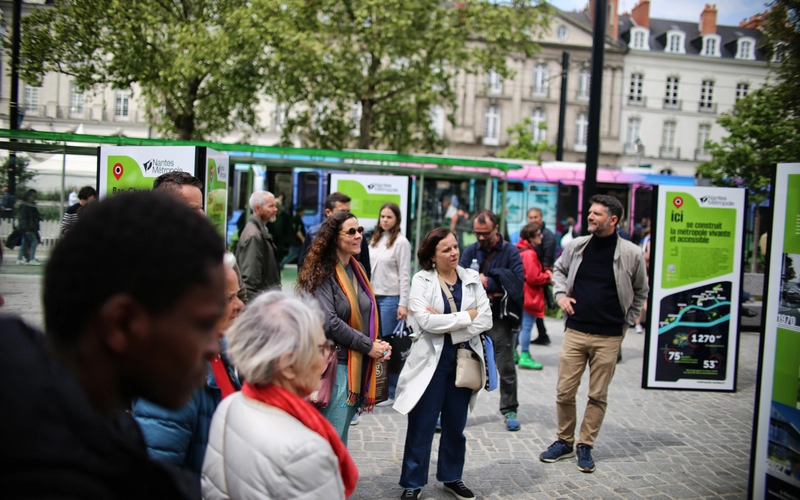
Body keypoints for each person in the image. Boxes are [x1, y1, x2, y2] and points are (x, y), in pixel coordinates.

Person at [0, 191, 227, 498]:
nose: (214, 346)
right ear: (121, 324)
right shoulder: (58, 478)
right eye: (202, 325)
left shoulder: (99, 429)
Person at [201, 291, 358, 499]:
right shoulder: (307, 451)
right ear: (287, 365)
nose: (328, 357)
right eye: (321, 348)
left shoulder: (229, 405)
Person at [539, 194, 648, 473]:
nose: (590, 216)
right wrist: (561, 295)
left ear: (613, 220)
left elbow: (641, 292)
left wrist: (627, 323)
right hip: (575, 332)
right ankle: (564, 441)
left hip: (609, 337)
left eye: (597, 214)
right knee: (564, 391)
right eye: (590, 212)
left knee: (597, 395)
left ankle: (584, 444)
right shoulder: (577, 246)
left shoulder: (631, 253)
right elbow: (559, 272)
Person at [394, 227, 492, 500]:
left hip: (463, 360)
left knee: (455, 425)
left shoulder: (471, 278)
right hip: (431, 362)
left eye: (455, 247)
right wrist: (466, 317)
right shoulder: (422, 280)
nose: (454, 253)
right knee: (422, 424)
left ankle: (452, 477)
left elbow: (486, 319)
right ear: (432, 256)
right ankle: (412, 483)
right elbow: (425, 321)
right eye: (446, 249)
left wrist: (449, 324)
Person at [132, 251, 244, 478]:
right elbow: (157, 476)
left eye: (238, 295)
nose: (240, 305)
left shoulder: (219, 351)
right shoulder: (171, 374)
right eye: (229, 298)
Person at [296, 211, 391, 444]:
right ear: (334, 237)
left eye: (360, 230)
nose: (358, 236)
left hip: (355, 364)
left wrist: (375, 342)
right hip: (334, 366)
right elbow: (329, 322)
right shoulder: (323, 272)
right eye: (351, 231)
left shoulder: (358, 270)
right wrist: (368, 345)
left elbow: (365, 315)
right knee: (331, 440)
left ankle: (338, 480)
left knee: (341, 436)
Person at [459, 209, 524, 432]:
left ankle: (509, 409)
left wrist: (489, 282)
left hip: (500, 316)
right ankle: (455, 411)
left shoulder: (510, 252)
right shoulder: (469, 251)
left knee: (505, 364)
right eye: (477, 233)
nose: (481, 237)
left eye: (485, 233)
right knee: (464, 362)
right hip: (473, 316)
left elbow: (517, 282)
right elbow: (462, 278)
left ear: (496, 229)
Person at [368, 202, 412, 405]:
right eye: (382, 216)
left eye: (389, 217)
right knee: (373, 341)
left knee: (388, 344)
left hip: (390, 299)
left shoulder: (401, 242)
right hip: (371, 296)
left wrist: (403, 303)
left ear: (397, 220)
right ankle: (374, 387)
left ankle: (390, 390)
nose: (384, 220)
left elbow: (405, 274)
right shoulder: (374, 239)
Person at [298, 192, 371, 278]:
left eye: (348, 211)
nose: (346, 215)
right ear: (328, 212)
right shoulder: (314, 233)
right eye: (342, 212)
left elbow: (365, 265)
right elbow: (303, 264)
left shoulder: (357, 234)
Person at [515, 222, 552, 370]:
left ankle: (514, 353)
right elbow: (533, 277)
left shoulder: (520, 249)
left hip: (521, 293)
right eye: (538, 234)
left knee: (519, 326)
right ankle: (524, 355)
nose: (541, 236)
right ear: (531, 237)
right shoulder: (529, 253)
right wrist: (547, 277)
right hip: (529, 294)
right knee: (526, 326)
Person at [237, 190, 281, 299]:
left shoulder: (259, 231)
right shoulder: (254, 235)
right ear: (257, 208)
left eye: (275, 206)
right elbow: (250, 279)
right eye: (271, 206)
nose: (275, 209)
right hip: (261, 303)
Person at [527, 207, 556, 346]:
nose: (533, 220)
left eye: (535, 217)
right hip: (533, 275)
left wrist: (545, 274)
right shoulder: (529, 233)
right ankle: (543, 334)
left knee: (535, 307)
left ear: (541, 218)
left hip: (539, 276)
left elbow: (548, 258)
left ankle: (540, 336)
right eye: (531, 217)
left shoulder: (548, 236)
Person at [16, 189, 42, 266]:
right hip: (28, 228)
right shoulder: (26, 206)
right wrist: (26, 228)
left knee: (24, 243)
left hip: (27, 228)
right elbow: (23, 218)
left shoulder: (29, 205)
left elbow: (32, 216)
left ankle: (20, 259)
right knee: (34, 242)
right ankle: (31, 258)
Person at [280, 206, 306, 270]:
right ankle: (280, 265)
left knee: (298, 256)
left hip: (296, 242)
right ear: (300, 212)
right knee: (291, 255)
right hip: (296, 242)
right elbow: (298, 231)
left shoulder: (296, 219)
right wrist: (303, 239)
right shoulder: (297, 219)